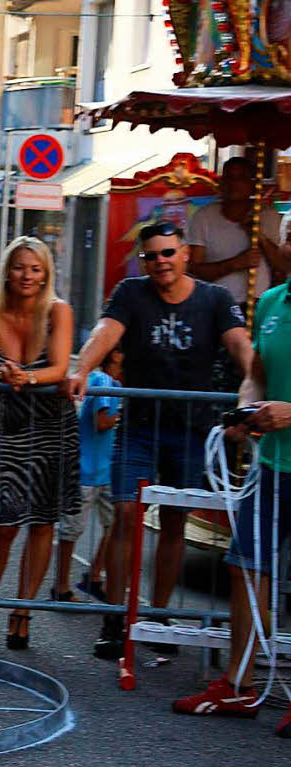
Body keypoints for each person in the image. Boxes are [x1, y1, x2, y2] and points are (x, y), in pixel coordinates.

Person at [64, 221, 254, 660]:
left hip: (190, 427)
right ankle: (116, 614)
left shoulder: (215, 299)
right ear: (143, 260)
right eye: (151, 256)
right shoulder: (132, 293)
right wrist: (81, 370)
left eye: (168, 253)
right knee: (127, 515)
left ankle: (159, 614)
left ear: (185, 253)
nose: (161, 262)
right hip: (139, 425)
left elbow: (240, 345)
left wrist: (253, 392)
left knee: (174, 521)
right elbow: (105, 333)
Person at [172, 278, 291, 737]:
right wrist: (246, 410)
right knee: (244, 566)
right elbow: (256, 372)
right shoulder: (274, 302)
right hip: (273, 465)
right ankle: (239, 684)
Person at [0, 236, 79, 650]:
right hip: (9, 423)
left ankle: (23, 611)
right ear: (6, 270)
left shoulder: (59, 311)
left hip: (53, 424)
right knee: (4, 521)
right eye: (19, 267)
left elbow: (61, 366)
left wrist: (25, 377)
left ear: (46, 272)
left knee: (43, 520)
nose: (27, 276)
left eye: (35, 268)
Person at [53, 346, 123, 603]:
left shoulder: (102, 380)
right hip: (87, 470)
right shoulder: (105, 381)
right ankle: (61, 587)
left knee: (117, 524)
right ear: (116, 355)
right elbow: (101, 422)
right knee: (72, 529)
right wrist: (124, 415)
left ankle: (94, 576)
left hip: (103, 470)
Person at [188, 157, 286, 309]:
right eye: (229, 177)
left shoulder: (268, 216)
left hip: (258, 304)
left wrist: (259, 237)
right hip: (216, 303)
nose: (234, 183)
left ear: (252, 184)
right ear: (221, 183)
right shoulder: (204, 216)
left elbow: (282, 265)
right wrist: (235, 263)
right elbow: (195, 270)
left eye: (241, 177)